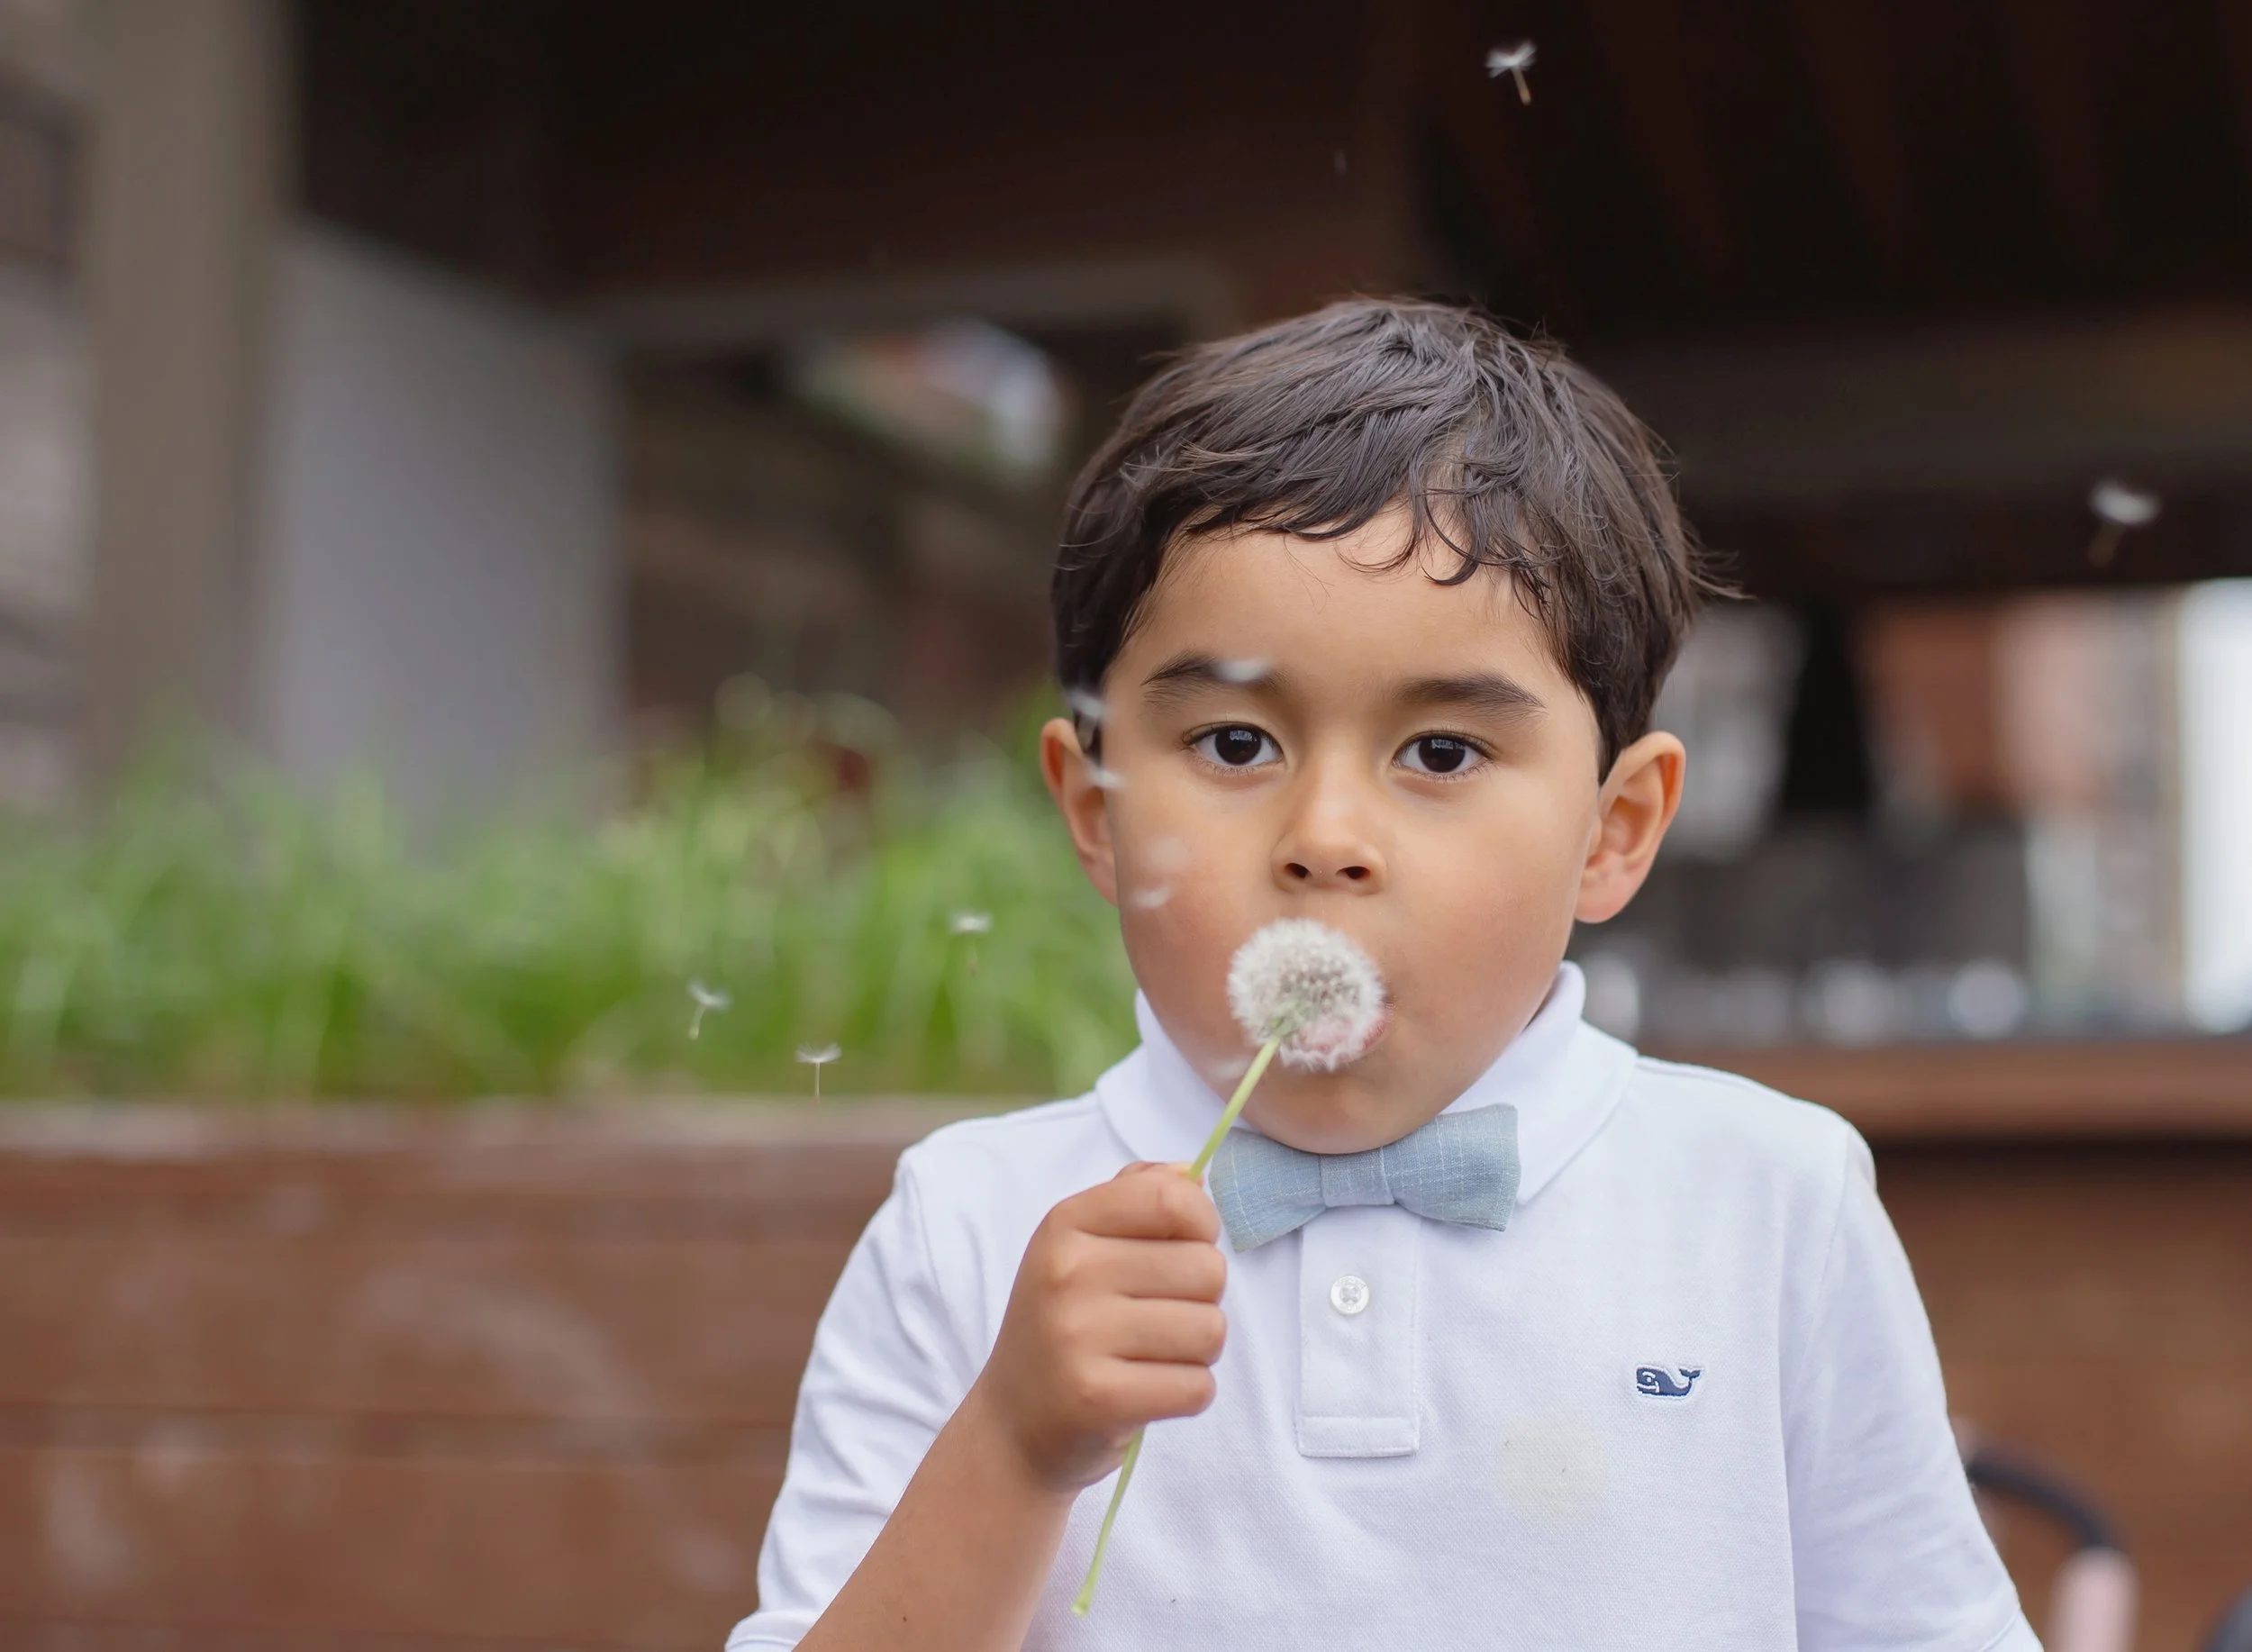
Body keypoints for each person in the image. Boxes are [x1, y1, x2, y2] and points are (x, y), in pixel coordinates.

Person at [727, 299, 2038, 1651]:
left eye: (1444, 754)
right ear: (1096, 807)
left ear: (1615, 829)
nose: (1327, 841)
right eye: (1235, 743)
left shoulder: (1769, 1204)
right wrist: (1010, 1444)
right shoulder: (968, 1229)